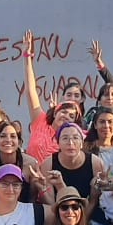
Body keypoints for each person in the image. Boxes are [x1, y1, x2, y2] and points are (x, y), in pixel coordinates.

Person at [21, 30, 84, 163]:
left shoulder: (71, 139)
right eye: (64, 112)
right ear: (55, 112)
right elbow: (30, 90)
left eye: (71, 116)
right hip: (30, 178)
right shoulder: (40, 120)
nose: (66, 116)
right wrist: (27, 57)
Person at [0, 121, 40, 202]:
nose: (8, 140)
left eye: (13, 136)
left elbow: (33, 197)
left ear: (19, 142)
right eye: (3, 136)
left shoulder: (30, 164)